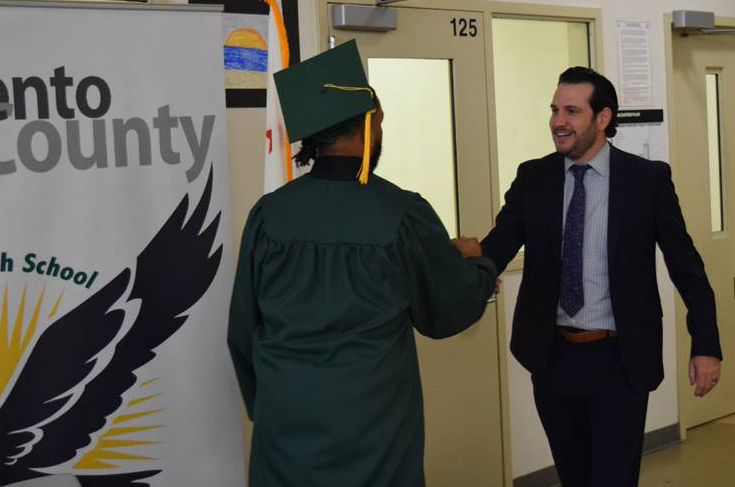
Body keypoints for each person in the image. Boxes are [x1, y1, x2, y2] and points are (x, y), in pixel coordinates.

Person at [227, 40, 498, 487]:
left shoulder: (268, 215)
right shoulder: (401, 213)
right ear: (366, 127)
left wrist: (273, 405)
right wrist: (474, 263)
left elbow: (242, 327)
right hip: (375, 425)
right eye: (380, 122)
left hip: (287, 426)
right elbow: (445, 310)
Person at [480, 66, 722, 487]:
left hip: (620, 360)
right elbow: (496, 248)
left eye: (572, 111)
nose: (558, 121)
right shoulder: (533, 178)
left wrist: (706, 345)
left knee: (613, 478)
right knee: (573, 476)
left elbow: (687, 266)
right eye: (555, 109)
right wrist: (466, 274)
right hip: (552, 356)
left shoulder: (646, 181)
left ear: (603, 118)